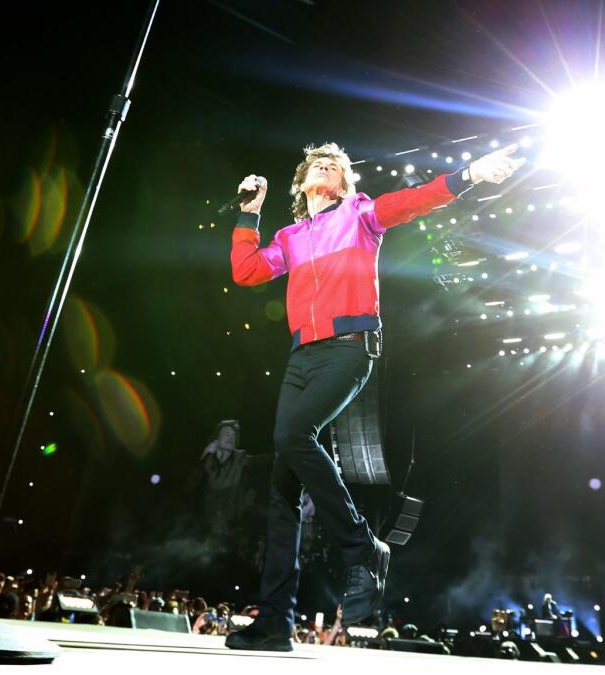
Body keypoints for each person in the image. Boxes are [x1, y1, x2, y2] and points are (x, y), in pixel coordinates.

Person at [223, 141, 524, 652]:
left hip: (349, 348)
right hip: (301, 356)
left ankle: (363, 546)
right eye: (316, 164)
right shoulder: (291, 236)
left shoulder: (360, 215)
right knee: (282, 488)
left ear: (343, 183)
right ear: (301, 183)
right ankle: (275, 622)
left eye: (334, 166)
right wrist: (249, 217)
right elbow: (247, 271)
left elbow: (415, 200)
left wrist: (469, 174)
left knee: (293, 436)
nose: (325, 169)